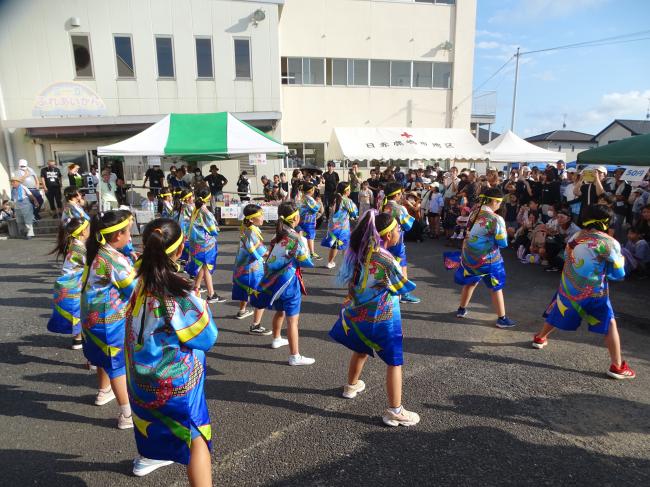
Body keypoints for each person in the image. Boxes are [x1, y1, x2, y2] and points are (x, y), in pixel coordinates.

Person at [125, 218, 218, 481]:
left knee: (158, 425)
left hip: (140, 377)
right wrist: (201, 303)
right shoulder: (178, 293)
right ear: (180, 250)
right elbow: (207, 337)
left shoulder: (139, 280)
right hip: (175, 382)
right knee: (197, 436)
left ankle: (148, 457)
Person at [329, 210, 420, 427]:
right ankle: (395, 411)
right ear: (388, 236)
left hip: (359, 316)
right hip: (383, 318)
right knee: (394, 362)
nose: (400, 231)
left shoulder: (360, 252)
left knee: (360, 350)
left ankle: (351, 386)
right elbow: (402, 286)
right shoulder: (386, 259)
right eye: (398, 229)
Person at [532, 205, 635, 380]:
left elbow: (567, 258)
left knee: (559, 310)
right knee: (609, 323)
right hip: (595, 292)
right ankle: (617, 366)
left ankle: (540, 338)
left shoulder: (575, 237)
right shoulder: (609, 242)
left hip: (569, 288)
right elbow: (618, 273)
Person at [81, 210, 136, 428]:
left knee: (104, 359)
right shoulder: (113, 259)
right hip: (109, 322)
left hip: (92, 319)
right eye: (128, 233)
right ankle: (127, 414)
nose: (130, 238)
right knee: (117, 365)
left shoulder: (98, 251)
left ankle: (103, 392)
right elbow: (134, 289)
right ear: (116, 236)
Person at [251, 202, 315, 366]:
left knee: (280, 311)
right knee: (293, 320)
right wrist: (304, 244)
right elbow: (305, 260)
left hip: (274, 280)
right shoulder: (295, 237)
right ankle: (295, 356)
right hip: (289, 280)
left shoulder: (277, 234)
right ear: (295, 217)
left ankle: (277, 338)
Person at [452, 188, 516, 328]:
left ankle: (461, 309)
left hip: (469, 257)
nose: (500, 205)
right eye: (499, 202)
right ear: (494, 201)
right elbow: (503, 243)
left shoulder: (474, 212)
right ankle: (502, 318)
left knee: (470, 282)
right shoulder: (496, 218)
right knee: (496, 287)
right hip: (488, 259)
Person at [47, 217, 89, 350]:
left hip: (70, 283)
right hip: (73, 284)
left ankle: (78, 338)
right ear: (83, 232)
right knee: (80, 310)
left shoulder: (75, 243)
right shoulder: (79, 247)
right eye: (89, 228)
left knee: (78, 311)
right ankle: (78, 339)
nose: (90, 230)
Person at [232, 204, 270, 334]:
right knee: (261, 295)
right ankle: (255, 325)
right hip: (251, 270)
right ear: (252, 219)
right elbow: (262, 252)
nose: (263, 217)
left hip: (242, 268)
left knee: (244, 289)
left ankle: (242, 311)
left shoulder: (247, 229)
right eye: (261, 215)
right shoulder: (251, 232)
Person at [382, 183, 420, 304]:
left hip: (384, 239)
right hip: (397, 240)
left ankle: (386, 289)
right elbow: (408, 225)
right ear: (397, 194)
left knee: (386, 264)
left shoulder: (382, 205)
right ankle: (404, 293)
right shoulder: (399, 208)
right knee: (402, 266)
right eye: (401, 193)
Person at [186, 189, 224, 304]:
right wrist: (216, 229)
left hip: (196, 242)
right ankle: (211, 294)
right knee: (207, 266)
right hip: (205, 243)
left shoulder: (195, 209)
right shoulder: (205, 211)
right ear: (208, 198)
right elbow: (214, 229)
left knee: (203, 265)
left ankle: (196, 287)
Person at [321, 182, 358, 269]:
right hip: (343, 227)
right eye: (349, 189)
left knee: (335, 244)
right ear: (346, 191)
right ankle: (347, 264)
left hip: (333, 226)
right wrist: (354, 216)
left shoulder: (335, 198)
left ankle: (330, 262)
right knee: (346, 245)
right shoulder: (347, 201)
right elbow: (354, 213)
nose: (350, 190)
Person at [296, 182, 322, 260]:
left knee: (304, 236)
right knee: (310, 236)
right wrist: (319, 203)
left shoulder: (301, 197)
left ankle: (305, 252)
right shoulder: (309, 198)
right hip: (308, 220)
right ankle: (311, 252)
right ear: (311, 190)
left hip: (302, 219)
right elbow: (316, 208)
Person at [10, 175, 37, 239]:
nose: (12, 183)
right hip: (17, 207)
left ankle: (29, 234)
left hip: (25, 206)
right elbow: (13, 199)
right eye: (11, 182)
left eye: (13, 182)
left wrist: (35, 201)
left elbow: (30, 195)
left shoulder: (23, 187)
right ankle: (25, 231)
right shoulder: (13, 190)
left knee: (28, 220)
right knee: (19, 221)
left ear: (18, 182)